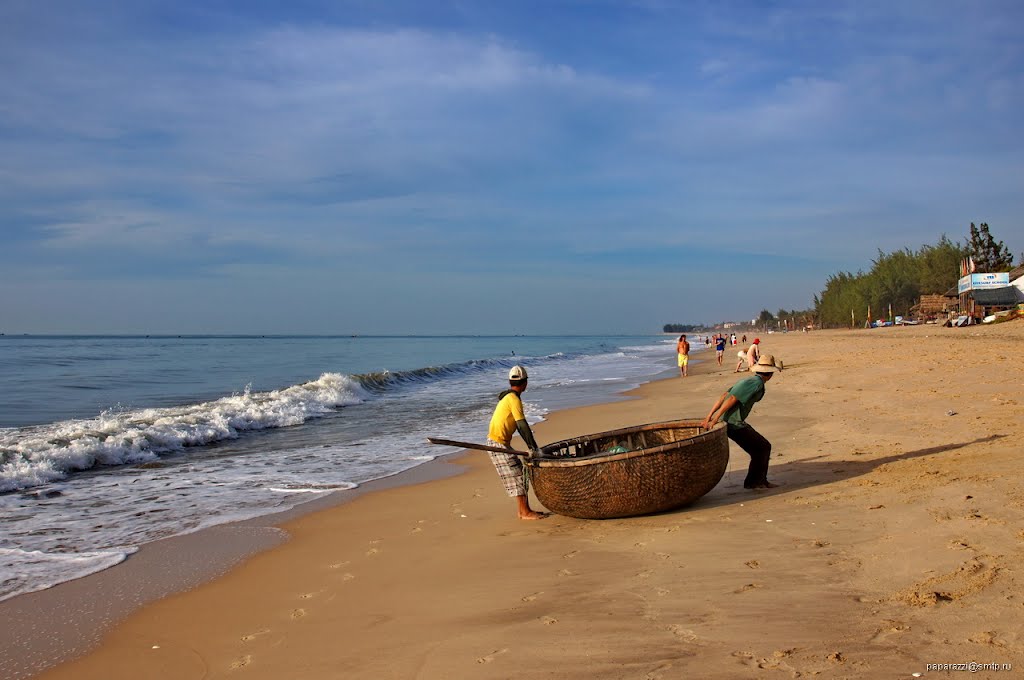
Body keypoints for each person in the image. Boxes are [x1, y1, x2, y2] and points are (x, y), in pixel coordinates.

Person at [702, 354, 781, 489]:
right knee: (763, 447)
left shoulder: (747, 380)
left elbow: (724, 396)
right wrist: (714, 419)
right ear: (771, 374)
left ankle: (756, 481)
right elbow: (732, 399)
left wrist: (709, 417)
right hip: (734, 424)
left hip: (730, 423)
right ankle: (756, 482)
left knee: (758, 449)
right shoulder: (757, 383)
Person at [487, 365, 547, 520]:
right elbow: (522, 425)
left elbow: (520, 426)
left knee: (520, 472)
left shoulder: (509, 397)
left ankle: (524, 509)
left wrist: (532, 447)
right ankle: (523, 512)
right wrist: (533, 447)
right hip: (497, 443)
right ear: (525, 383)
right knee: (517, 475)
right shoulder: (513, 399)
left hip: (501, 443)